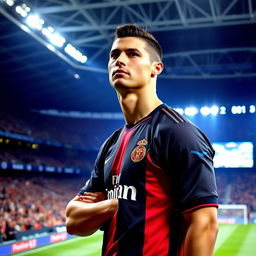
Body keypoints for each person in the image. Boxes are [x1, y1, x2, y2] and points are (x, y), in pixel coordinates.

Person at [65, 24, 219, 256]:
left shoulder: (178, 132)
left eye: (133, 54)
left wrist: (107, 203)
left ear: (155, 68)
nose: (120, 60)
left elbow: (204, 223)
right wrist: (114, 204)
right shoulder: (111, 144)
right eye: (114, 55)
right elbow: (73, 221)